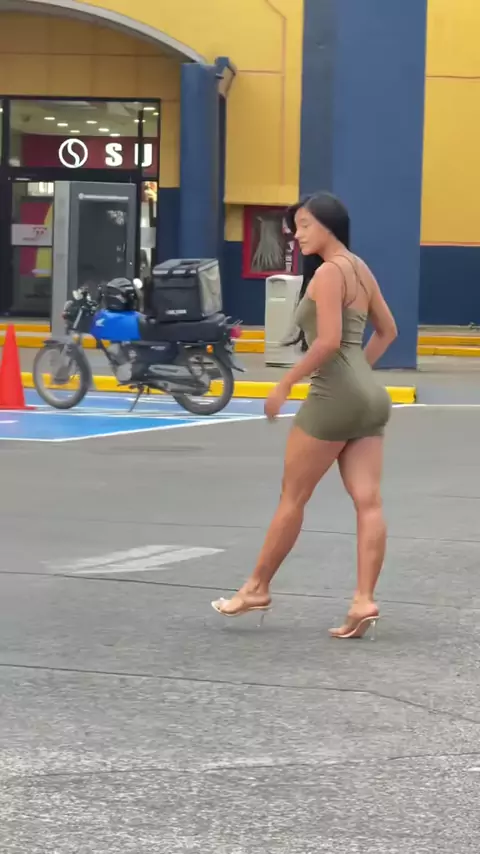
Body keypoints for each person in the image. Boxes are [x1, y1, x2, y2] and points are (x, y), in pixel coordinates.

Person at [212, 191, 398, 639]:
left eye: (305, 225)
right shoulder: (360, 268)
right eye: (296, 227)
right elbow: (388, 331)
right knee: (368, 501)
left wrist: (284, 384)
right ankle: (363, 600)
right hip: (370, 396)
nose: (297, 235)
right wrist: (359, 378)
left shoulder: (330, 272)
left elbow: (328, 342)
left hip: (332, 396)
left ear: (329, 224)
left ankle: (257, 588)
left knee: (292, 498)